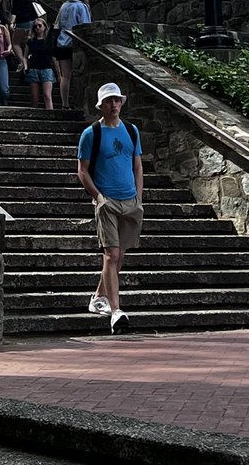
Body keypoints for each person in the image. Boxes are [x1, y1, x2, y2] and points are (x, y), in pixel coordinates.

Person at [76, 82, 143, 335]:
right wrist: (98, 196)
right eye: (108, 101)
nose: (114, 105)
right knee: (111, 255)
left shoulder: (131, 130)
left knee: (120, 256)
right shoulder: (92, 133)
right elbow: (82, 171)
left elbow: (137, 166)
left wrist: (139, 196)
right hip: (107, 201)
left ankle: (97, 298)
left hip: (130, 200)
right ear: (100, 106)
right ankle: (116, 311)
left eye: (117, 100)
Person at [52, 0, 91, 109]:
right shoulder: (81, 6)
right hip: (76, 44)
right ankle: (81, 104)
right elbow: (85, 25)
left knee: (65, 75)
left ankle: (65, 104)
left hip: (62, 43)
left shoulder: (63, 7)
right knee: (80, 73)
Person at [26, 17, 55, 110]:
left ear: (44, 27)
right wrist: (25, 66)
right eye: (35, 26)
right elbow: (25, 55)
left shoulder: (48, 40)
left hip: (46, 68)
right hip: (34, 68)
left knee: (47, 95)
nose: (37, 28)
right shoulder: (30, 41)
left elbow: (53, 56)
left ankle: (51, 115)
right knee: (34, 98)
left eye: (39, 25)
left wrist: (58, 71)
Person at [11, 0, 38, 70]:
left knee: (15, 43)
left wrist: (12, 22)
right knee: (27, 43)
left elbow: (14, 11)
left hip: (22, 22)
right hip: (33, 22)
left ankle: (23, 62)